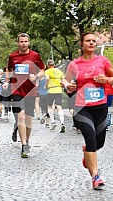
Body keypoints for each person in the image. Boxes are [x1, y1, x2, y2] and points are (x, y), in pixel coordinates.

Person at [62, 31, 113, 190]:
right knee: (90, 139)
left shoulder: (102, 61)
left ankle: (87, 154)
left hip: (101, 107)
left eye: (93, 40)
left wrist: (107, 80)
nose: (91, 43)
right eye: (88, 40)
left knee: (100, 143)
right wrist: (67, 85)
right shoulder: (75, 64)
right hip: (82, 108)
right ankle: (96, 177)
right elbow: (65, 79)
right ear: (81, 44)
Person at [3, 33, 45, 158]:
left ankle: (27, 140)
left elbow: (42, 71)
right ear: (18, 43)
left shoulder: (35, 56)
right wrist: (6, 82)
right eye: (21, 41)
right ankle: (23, 145)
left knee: (28, 119)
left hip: (30, 91)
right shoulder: (13, 56)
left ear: (29, 42)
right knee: (20, 116)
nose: (23, 44)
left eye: (25, 41)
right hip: (16, 89)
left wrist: (36, 76)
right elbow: (9, 70)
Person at [45, 59, 65, 132]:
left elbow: (47, 78)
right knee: (59, 107)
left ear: (48, 65)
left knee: (50, 107)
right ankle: (62, 123)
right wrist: (62, 86)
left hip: (51, 90)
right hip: (58, 90)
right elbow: (63, 80)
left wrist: (46, 86)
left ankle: (53, 122)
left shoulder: (47, 71)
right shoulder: (59, 71)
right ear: (54, 64)